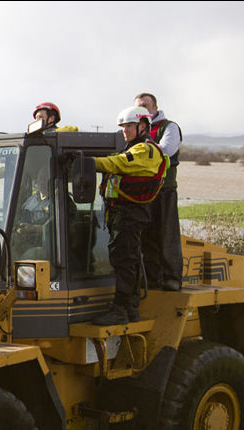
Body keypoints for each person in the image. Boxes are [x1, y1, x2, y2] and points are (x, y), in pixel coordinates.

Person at [89, 106, 168, 325]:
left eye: (130, 127)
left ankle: (122, 309)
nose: (125, 131)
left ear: (143, 126)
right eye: (123, 127)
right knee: (126, 258)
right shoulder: (133, 148)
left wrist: (89, 162)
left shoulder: (145, 150)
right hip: (122, 212)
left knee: (124, 259)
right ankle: (130, 308)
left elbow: (119, 164)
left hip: (132, 213)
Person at [135, 92, 183, 290]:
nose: (143, 109)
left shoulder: (169, 127)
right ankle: (153, 278)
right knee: (147, 235)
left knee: (167, 234)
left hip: (164, 189)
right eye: (139, 107)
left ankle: (172, 278)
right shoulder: (136, 128)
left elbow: (165, 151)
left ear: (155, 108)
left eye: (146, 106)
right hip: (142, 191)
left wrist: (140, 154)